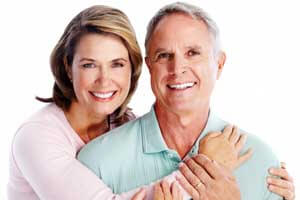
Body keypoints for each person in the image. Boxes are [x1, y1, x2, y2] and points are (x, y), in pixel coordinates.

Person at [7, 3, 295, 200]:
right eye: (89, 65)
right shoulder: (45, 141)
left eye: (117, 64)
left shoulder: (261, 158)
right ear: (67, 67)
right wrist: (207, 165)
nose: (105, 80)